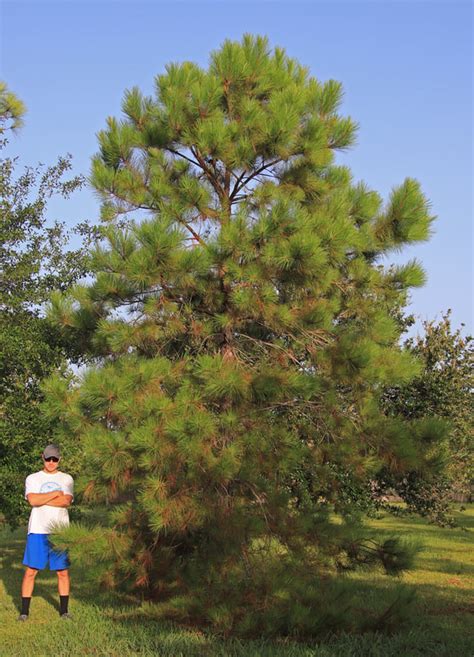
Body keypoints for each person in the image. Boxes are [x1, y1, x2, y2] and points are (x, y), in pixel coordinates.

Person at [18, 444, 74, 621]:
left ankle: (64, 611)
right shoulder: (33, 478)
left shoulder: (67, 479)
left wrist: (44, 499)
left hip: (59, 531)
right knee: (31, 571)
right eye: (48, 458)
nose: (51, 462)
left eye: (55, 459)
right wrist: (55, 493)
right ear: (42, 457)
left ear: (60, 459)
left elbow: (66, 501)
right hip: (38, 529)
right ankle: (24, 612)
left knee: (62, 572)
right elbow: (33, 500)